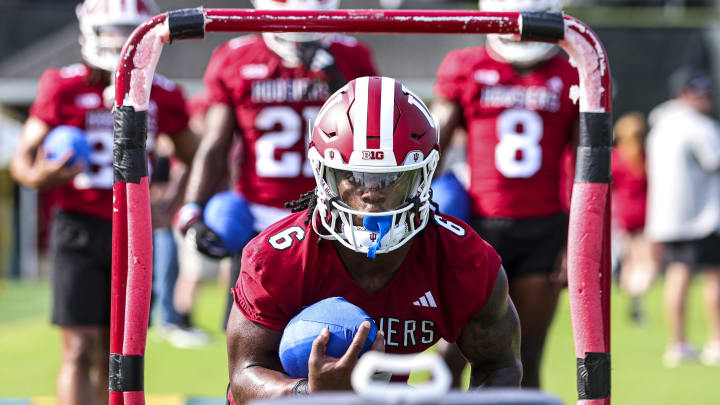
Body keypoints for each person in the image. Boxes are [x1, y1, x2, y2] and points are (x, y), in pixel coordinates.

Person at [226, 76, 522, 404]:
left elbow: (500, 365)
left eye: (390, 178)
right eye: (354, 175)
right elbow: (244, 375)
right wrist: (308, 392)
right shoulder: (278, 258)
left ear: (425, 173)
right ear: (323, 173)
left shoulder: (463, 259)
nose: (371, 196)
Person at [9, 1, 197, 404]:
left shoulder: (161, 91)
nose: (119, 42)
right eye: (111, 31)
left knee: (115, 357)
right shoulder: (63, 85)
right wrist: (41, 176)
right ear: (90, 32)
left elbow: (196, 153)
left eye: (127, 31)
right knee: (77, 348)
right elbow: (22, 164)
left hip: (133, 231)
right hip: (77, 225)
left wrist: (174, 204)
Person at [174, 0, 378, 330]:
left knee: (340, 337)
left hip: (333, 221)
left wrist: (336, 80)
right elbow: (215, 146)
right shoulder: (237, 57)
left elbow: (372, 137)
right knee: (250, 348)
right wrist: (191, 209)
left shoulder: (350, 55)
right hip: (260, 223)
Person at [429, 0, 578, 389]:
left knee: (525, 354)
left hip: (545, 229)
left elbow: (587, 168)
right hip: (477, 229)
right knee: (453, 352)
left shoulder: (571, 69)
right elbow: (429, 151)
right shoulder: (467, 65)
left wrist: (578, 239)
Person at [645, 67, 720, 367]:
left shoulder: (660, 125)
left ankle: (678, 345)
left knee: (677, 276)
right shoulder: (698, 126)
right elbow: (714, 162)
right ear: (684, 94)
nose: (705, 98)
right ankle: (716, 343)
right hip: (702, 216)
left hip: (668, 218)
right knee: (715, 277)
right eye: (698, 92)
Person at [611, 112, 656, 324]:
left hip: (623, 215)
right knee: (646, 262)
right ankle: (639, 297)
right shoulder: (645, 156)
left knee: (629, 261)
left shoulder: (615, 157)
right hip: (645, 214)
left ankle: (633, 296)